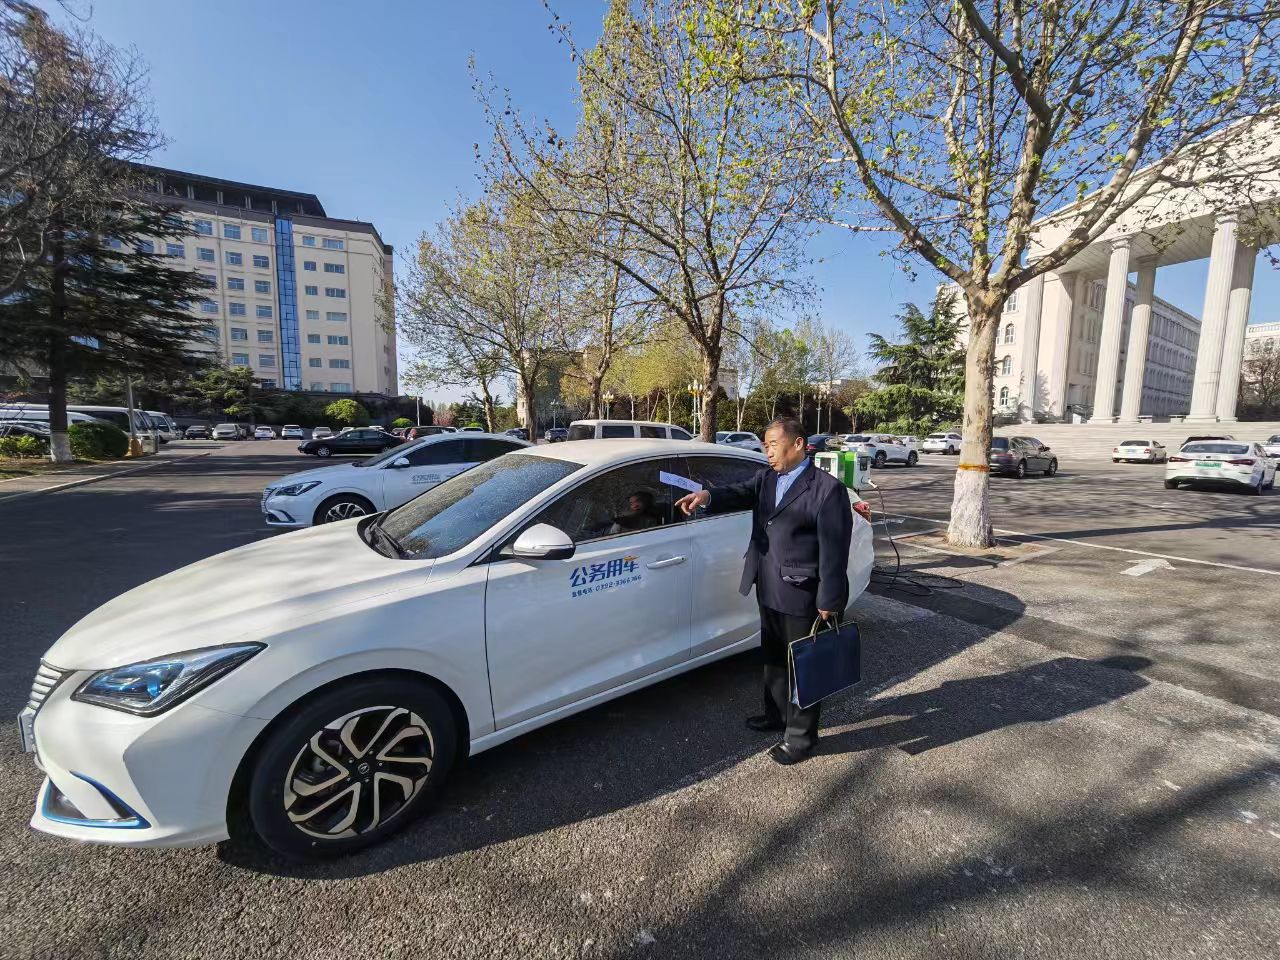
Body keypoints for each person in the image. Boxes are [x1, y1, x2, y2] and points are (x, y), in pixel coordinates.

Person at [675, 416, 853, 765]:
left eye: (773, 444)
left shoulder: (827, 489)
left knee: (804, 666)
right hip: (769, 584)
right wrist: (706, 495)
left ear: (798, 444)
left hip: (804, 593)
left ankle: (801, 739)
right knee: (773, 658)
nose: (767, 452)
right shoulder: (768, 478)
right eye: (765, 445)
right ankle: (776, 715)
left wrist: (830, 600)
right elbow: (739, 491)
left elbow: (835, 550)